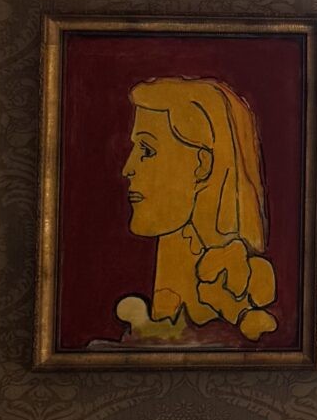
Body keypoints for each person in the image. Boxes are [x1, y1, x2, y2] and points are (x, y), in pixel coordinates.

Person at [116, 76, 278, 344]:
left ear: (202, 164)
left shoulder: (236, 283)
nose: (127, 168)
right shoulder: (171, 269)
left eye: (147, 150)